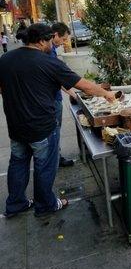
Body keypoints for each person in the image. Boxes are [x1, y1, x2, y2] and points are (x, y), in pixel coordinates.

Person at [0, 23, 115, 218]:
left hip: (16, 125)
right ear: (42, 40)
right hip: (42, 127)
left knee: (18, 163)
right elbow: (85, 86)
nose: (52, 45)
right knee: (44, 165)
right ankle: (45, 204)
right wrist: (106, 94)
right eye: (50, 41)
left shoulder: (5, 59)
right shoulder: (48, 62)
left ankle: (15, 203)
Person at [51, 22, 77, 167]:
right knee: (54, 131)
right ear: (55, 35)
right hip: (52, 100)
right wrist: (72, 92)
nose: (64, 42)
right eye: (63, 39)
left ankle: (55, 157)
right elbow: (58, 77)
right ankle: (55, 159)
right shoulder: (49, 51)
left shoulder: (52, 50)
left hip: (54, 97)